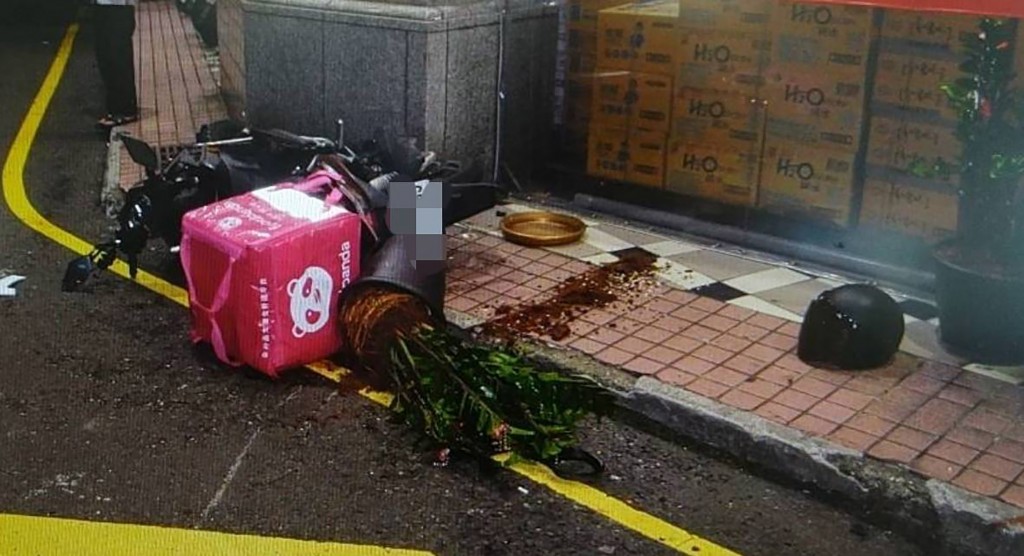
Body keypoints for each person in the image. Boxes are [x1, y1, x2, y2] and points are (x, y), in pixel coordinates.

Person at [93, 0, 138, 128]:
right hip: (104, 7)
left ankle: (125, 110)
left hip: (118, 9)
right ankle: (115, 108)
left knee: (117, 59)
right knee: (106, 59)